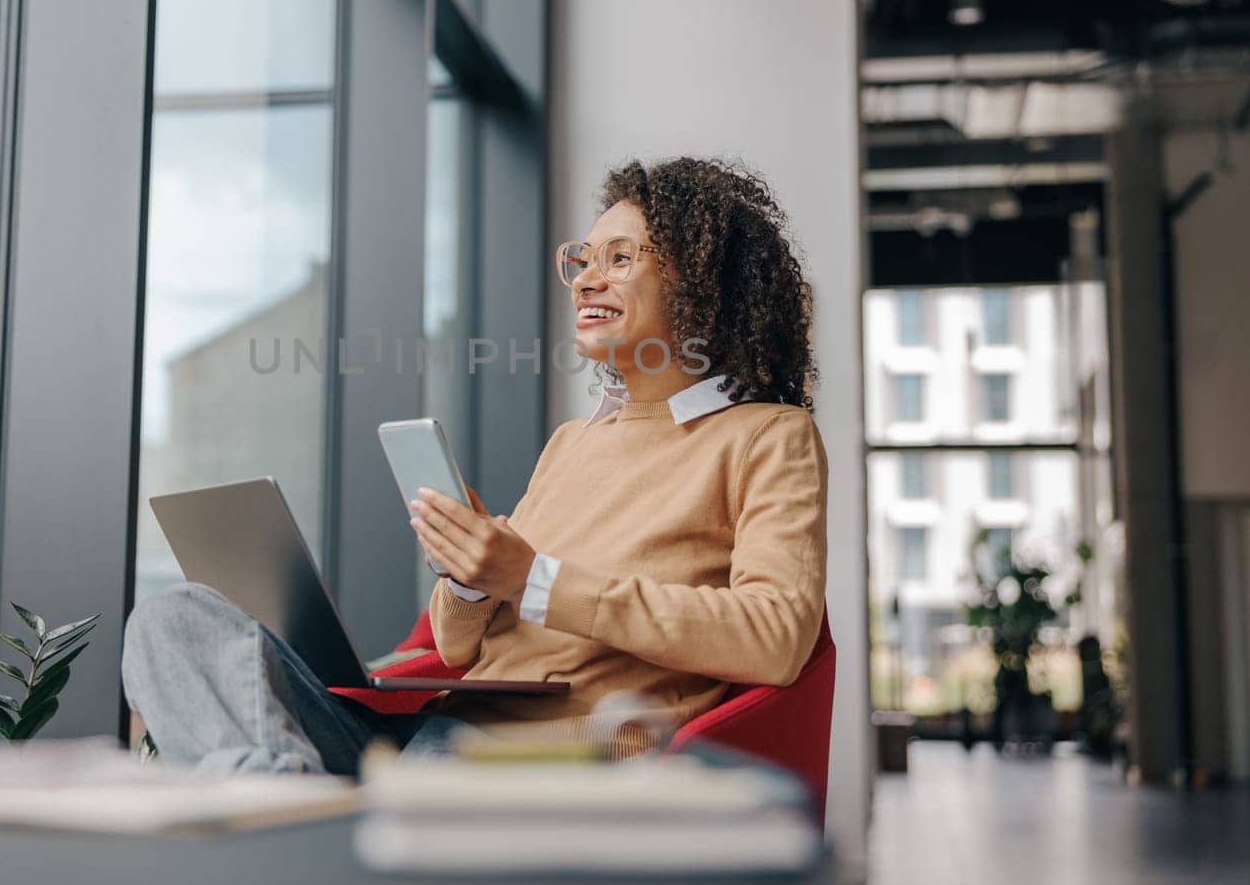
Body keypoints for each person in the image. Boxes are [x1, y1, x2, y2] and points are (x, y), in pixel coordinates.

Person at [123, 156, 830, 773]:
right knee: (171, 618)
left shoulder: (768, 436)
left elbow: (775, 638)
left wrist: (534, 579)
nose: (586, 279)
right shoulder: (572, 442)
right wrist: (469, 578)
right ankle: (281, 805)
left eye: (620, 258)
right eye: (581, 259)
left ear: (706, 283)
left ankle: (285, 828)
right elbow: (460, 648)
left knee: (405, 760)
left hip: (553, 757)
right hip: (433, 734)